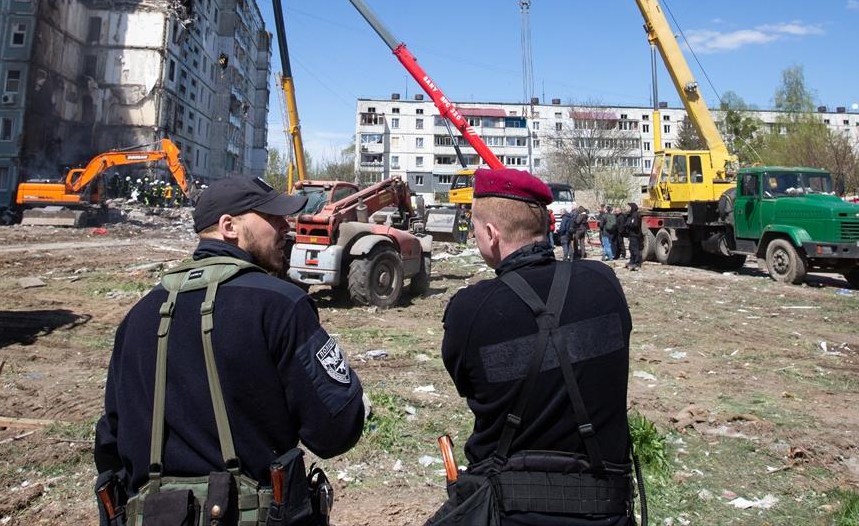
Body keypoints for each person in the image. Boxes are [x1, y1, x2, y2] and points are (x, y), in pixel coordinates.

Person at [94, 174, 365, 524]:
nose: (287, 226)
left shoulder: (139, 315)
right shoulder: (281, 305)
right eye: (273, 217)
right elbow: (336, 431)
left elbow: (109, 443)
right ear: (229, 226)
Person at [430, 168, 637, 525]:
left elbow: (469, 385)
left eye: (475, 227)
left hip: (511, 512)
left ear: (492, 234)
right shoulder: (604, 284)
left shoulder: (469, 311)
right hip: (605, 510)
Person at [623, 202, 644, 271]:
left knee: (635, 249)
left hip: (635, 235)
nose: (627, 208)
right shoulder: (630, 215)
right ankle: (632, 261)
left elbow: (635, 225)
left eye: (628, 207)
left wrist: (628, 225)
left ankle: (637, 263)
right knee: (631, 249)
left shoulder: (635, 215)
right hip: (631, 235)